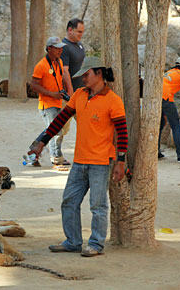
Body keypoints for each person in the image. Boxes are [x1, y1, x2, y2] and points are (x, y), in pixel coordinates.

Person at [28, 57, 128, 257]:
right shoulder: (79, 96)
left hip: (101, 162)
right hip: (80, 161)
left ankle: (96, 245)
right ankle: (73, 242)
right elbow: (60, 120)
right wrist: (41, 142)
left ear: (99, 74)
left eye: (86, 75)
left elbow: (122, 133)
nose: (83, 79)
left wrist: (121, 161)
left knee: (98, 205)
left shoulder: (113, 100)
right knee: (69, 201)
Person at [30, 36, 70, 170]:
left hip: (57, 101)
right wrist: (52, 94)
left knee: (52, 130)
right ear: (49, 49)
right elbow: (34, 85)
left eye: (61, 48)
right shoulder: (41, 65)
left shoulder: (58, 62)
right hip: (47, 104)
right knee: (55, 131)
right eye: (57, 48)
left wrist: (63, 93)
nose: (60, 50)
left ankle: (33, 150)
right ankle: (56, 159)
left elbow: (59, 79)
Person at [61, 18, 85, 93]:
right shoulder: (64, 47)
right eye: (79, 32)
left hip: (83, 89)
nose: (81, 34)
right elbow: (65, 71)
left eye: (82, 32)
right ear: (70, 30)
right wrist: (70, 90)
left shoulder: (80, 44)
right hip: (73, 91)